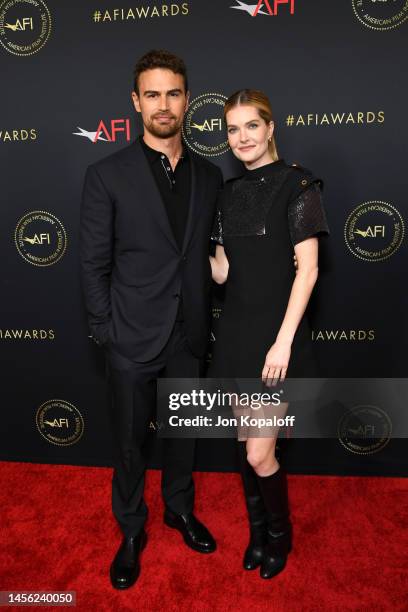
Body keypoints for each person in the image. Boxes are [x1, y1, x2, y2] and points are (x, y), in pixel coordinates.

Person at [80, 49, 223, 589]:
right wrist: (105, 330)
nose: (165, 105)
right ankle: (132, 529)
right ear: (136, 102)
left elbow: (208, 251)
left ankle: (178, 509)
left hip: (189, 333)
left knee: (184, 434)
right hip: (130, 334)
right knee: (129, 441)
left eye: (174, 93)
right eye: (153, 94)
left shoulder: (209, 175)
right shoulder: (106, 173)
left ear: (187, 100)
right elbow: (92, 262)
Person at [209, 89, 329, 579]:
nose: (242, 138)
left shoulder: (298, 184)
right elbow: (223, 273)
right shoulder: (228, 193)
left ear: (270, 126)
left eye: (251, 126)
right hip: (236, 329)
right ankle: (258, 534)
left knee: (261, 452)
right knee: (245, 442)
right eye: (233, 130)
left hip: (276, 336)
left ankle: (280, 533)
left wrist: (283, 342)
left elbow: (308, 271)